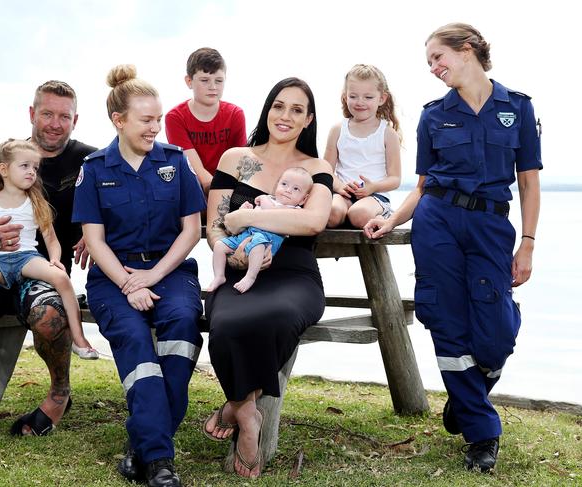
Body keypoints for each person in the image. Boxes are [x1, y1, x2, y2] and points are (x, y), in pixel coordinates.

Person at [365, 23, 541, 473]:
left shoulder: (517, 108)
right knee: (444, 317)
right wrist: (390, 219)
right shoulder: (432, 114)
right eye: (429, 63)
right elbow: (423, 186)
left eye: (438, 58)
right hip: (437, 221)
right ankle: (483, 433)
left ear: (467, 51)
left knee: (497, 330)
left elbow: (528, 182)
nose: (433, 68)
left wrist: (528, 244)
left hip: (490, 224)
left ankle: (468, 395)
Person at [0, 80, 96, 474]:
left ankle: (60, 392)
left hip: (38, 271)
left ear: (75, 119)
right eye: (47, 113)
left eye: (64, 116)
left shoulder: (90, 162)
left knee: (50, 315)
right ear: (32, 114)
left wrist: (97, 236)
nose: (56, 123)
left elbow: (113, 213)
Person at [72, 64, 205, 487]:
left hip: (170, 270)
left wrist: (151, 277)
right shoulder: (94, 169)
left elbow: (192, 230)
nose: (156, 127)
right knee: (134, 343)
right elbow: (94, 240)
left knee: (182, 329)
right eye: (146, 120)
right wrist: (129, 283)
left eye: (159, 119)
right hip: (114, 275)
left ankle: (142, 442)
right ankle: (160, 463)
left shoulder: (174, 162)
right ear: (119, 120)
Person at [203, 77, 332, 479]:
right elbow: (215, 226)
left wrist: (249, 217)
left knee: (274, 319)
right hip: (240, 268)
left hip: (294, 273)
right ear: (267, 110)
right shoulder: (236, 158)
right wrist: (234, 250)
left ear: (308, 120)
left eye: (297, 110)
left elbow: (312, 222)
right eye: (279, 106)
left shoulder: (317, 169)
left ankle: (233, 406)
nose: (286, 116)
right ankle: (247, 414)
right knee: (224, 324)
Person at [0, 139, 97, 389]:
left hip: (26, 260)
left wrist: (54, 259)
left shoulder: (36, 202)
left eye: (35, 167)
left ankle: (80, 339)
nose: (32, 171)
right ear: (4, 170)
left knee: (62, 279)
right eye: (25, 166)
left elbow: (51, 239)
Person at [207, 166, 313, 293]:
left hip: (266, 240)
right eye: (284, 184)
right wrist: (244, 210)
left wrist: (263, 199)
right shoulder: (270, 199)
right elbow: (247, 219)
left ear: (303, 199)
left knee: (257, 244)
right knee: (219, 246)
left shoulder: (292, 210)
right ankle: (219, 276)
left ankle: (250, 277)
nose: (288, 190)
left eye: (296, 189)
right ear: (277, 185)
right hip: (246, 234)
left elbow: (272, 213)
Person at [324, 64, 401, 231]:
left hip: (375, 195)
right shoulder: (337, 130)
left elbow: (395, 179)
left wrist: (373, 187)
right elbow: (326, 170)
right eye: (353, 96)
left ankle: (383, 214)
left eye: (368, 97)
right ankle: (344, 214)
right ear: (345, 97)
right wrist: (339, 187)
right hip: (343, 193)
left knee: (359, 215)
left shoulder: (387, 133)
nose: (360, 102)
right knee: (331, 213)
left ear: (382, 98)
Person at [165, 47, 247, 194]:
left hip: (229, 185)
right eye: (205, 80)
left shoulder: (235, 114)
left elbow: (240, 161)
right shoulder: (175, 117)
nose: (213, 87)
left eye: (219, 81)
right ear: (189, 81)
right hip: (194, 187)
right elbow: (198, 172)